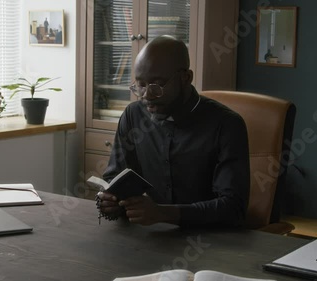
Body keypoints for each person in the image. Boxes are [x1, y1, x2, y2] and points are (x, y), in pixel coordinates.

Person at [97, 35, 250, 227]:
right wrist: (111, 200)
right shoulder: (133, 115)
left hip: (209, 242)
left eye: (157, 85)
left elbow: (233, 207)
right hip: (150, 236)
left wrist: (164, 214)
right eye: (140, 85)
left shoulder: (226, 125)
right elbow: (115, 177)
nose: (146, 96)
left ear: (186, 78)